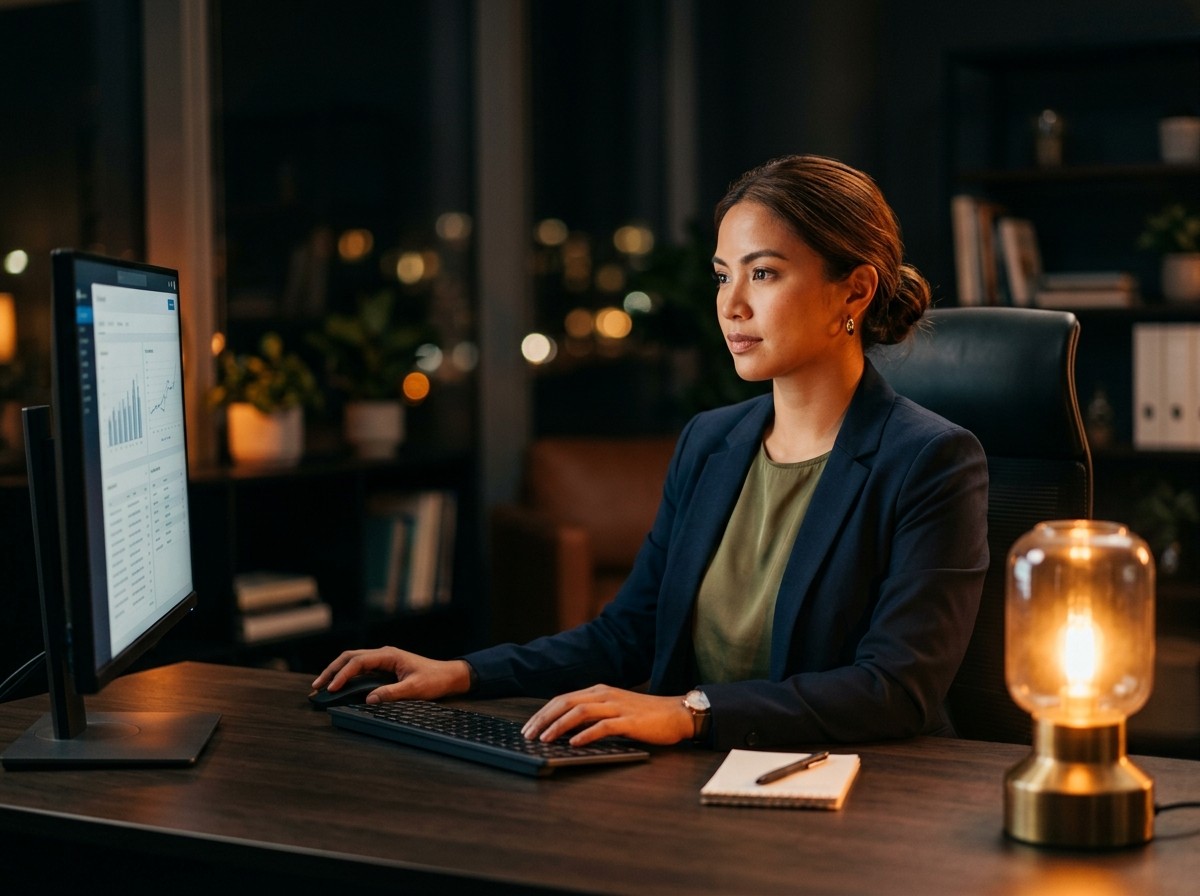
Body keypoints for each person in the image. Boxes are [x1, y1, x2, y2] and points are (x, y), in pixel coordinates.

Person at [312, 154, 989, 752]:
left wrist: (690, 713)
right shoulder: (711, 441)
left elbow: (894, 689)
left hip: (852, 793)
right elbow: (625, 635)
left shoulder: (930, 461)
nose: (732, 305)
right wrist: (460, 673)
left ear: (856, 289)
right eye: (724, 276)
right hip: (694, 783)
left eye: (765, 274)